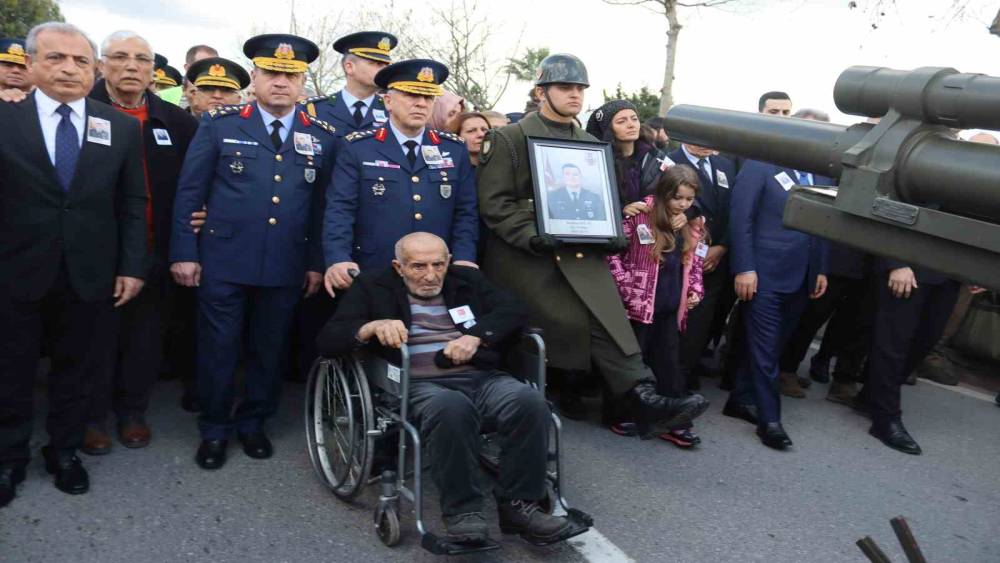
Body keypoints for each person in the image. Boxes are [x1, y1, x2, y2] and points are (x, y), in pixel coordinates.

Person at [476, 52, 706, 428]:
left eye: (580, 89)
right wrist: (533, 235)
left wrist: (611, 231)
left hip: (581, 252)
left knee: (609, 314)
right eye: (564, 87)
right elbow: (496, 204)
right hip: (528, 257)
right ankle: (530, 407)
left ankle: (642, 394)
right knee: (569, 321)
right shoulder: (508, 139)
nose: (575, 95)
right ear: (540, 92)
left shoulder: (589, 143)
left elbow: (601, 200)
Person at [317, 232, 584, 546]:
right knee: (452, 408)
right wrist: (371, 327)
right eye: (418, 266)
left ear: (449, 262)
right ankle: (463, 513)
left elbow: (514, 309)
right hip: (417, 385)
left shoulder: (466, 280)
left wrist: (477, 336)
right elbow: (328, 340)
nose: (431, 275)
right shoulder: (372, 286)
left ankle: (520, 506)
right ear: (398, 267)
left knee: (529, 401)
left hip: (480, 377)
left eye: (438, 265)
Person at [170, 33, 337, 470]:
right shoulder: (220, 124)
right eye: (272, 73)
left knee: (269, 349)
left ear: (303, 83)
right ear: (255, 77)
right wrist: (185, 252)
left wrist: (316, 263)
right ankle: (214, 428)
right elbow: (190, 193)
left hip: (286, 263)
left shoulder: (321, 134)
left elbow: (322, 207)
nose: (281, 82)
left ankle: (253, 423)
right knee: (219, 349)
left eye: (291, 75)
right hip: (223, 259)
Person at [0, 22, 148, 508]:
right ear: (30, 64)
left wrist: (132, 266)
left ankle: (63, 452)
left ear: (95, 69)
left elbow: (132, 201)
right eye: (55, 58)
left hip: (90, 272)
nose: (69, 69)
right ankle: (8, 457)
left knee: (77, 370)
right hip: (14, 270)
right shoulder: (6, 116)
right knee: (11, 369)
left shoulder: (120, 127)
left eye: (80, 60)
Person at [80, 30, 199, 454]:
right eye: (120, 57)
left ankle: (132, 411)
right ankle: (91, 417)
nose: (131, 66)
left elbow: (197, 182)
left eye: (142, 59)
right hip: (92, 250)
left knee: (144, 338)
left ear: (154, 70)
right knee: (93, 338)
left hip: (154, 248)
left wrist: (204, 213)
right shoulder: (79, 111)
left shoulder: (178, 122)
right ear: (101, 65)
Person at [323, 58, 479, 298]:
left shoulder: (453, 149)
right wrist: (338, 257)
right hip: (374, 268)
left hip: (436, 272)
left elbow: (466, 211)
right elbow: (340, 209)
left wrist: (464, 257)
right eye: (411, 95)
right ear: (388, 101)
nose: (420, 103)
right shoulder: (358, 147)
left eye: (428, 97)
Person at [725, 97, 829, 450]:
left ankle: (740, 399)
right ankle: (770, 420)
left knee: (773, 344)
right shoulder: (761, 164)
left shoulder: (821, 173)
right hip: (763, 274)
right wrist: (744, 267)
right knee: (767, 349)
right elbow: (741, 218)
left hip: (802, 276)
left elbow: (823, 225)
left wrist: (820, 268)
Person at [606, 166, 709, 447]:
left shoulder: (693, 223)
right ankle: (620, 414)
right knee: (632, 362)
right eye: (678, 197)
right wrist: (625, 285)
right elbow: (612, 252)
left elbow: (695, 262)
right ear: (664, 193)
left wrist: (695, 290)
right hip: (638, 305)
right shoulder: (639, 214)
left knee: (668, 364)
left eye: (689, 199)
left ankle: (675, 420)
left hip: (670, 306)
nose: (683, 204)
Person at [666, 142, 736, 390]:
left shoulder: (725, 165)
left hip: (714, 258)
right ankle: (668, 376)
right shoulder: (668, 161)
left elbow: (734, 210)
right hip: (680, 257)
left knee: (701, 320)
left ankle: (686, 371)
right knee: (674, 318)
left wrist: (722, 246)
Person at [303, 31, 395, 135]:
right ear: (349, 67)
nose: (384, 70)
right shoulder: (314, 110)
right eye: (377, 64)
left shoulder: (394, 110)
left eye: (386, 65)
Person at [585, 99, 670, 207]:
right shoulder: (599, 163)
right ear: (609, 130)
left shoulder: (656, 158)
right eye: (621, 121)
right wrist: (622, 210)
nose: (631, 125)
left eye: (634, 119)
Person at [184, 57, 249, 119]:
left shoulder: (250, 126)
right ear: (195, 96)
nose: (217, 95)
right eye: (208, 89)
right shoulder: (179, 125)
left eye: (226, 90)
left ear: (238, 99)